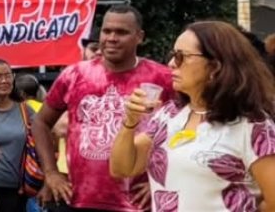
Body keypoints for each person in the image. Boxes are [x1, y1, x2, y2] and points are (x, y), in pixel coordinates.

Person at [109, 21, 275, 211]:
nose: (171, 64)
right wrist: (130, 121)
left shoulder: (253, 126)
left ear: (215, 67)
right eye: (172, 55)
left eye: (181, 57)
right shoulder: (169, 115)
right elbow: (122, 168)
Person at [32, 5, 175, 212]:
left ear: (139, 37)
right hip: (80, 199)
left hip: (137, 203)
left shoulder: (162, 79)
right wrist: (51, 173)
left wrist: (162, 180)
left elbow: (186, 132)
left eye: (122, 32)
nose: (112, 38)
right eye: (107, 31)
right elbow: (40, 122)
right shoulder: (74, 75)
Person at [0, 59, 33, 212]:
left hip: (14, 191)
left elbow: (45, 138)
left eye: (8, 76)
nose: (4, 81)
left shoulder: (25, 111)